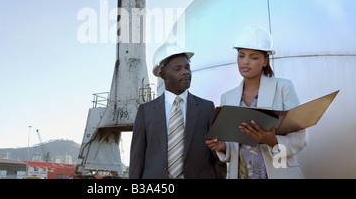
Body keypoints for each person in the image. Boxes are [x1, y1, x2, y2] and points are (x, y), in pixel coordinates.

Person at [206, 25, 307, 179]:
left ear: (265, 61)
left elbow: (300, 138)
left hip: (278, 173)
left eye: (253, 57)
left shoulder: (283, 88)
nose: (245, 62)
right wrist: (223, 146)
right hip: (242, 174)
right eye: (241, 56)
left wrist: (273, 141)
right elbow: (236, 143)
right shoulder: (227, 97)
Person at [129, 45, 226, 179]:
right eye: (177, 69)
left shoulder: (206, 108)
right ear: (163, 75)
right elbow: (137, 159)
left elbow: (217, 157)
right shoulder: (146, 112)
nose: (185, 72)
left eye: (187, 67)